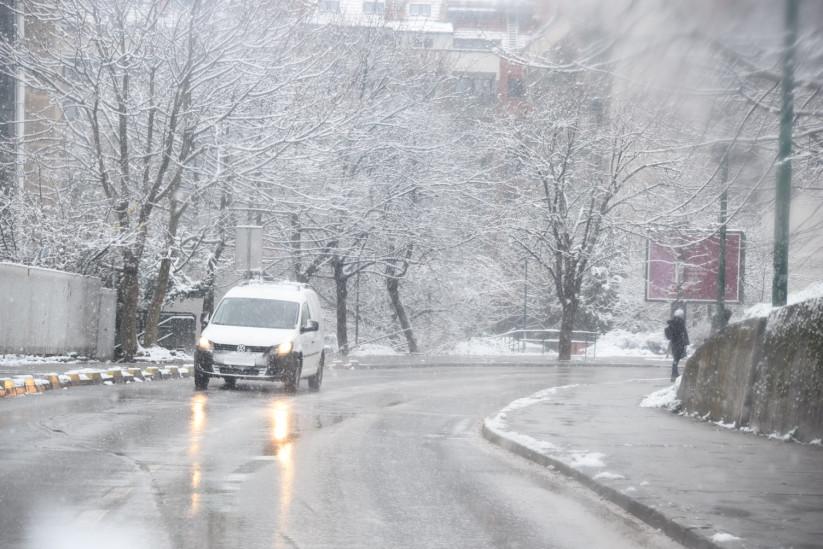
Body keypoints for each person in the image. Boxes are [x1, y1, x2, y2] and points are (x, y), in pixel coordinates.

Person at [665, 309, 690, 381]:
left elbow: (672, 335)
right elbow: (684, 333)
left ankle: (675, 374)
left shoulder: (672, 323)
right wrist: (686, 342)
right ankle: (674, 374)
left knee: (676, 359)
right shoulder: (680, 323)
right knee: (676, 359)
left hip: (674, 344)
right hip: (679, 343)